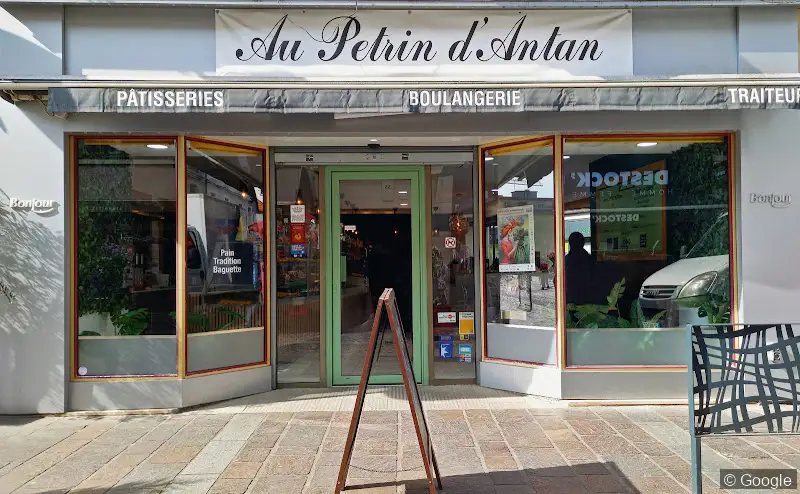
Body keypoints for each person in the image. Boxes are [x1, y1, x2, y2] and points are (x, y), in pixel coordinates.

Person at [565, 232, 594, 305]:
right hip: (588, 300)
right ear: (583, 243)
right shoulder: (589, 259)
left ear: (570, 244)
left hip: (570, 300)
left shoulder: (566, 260)